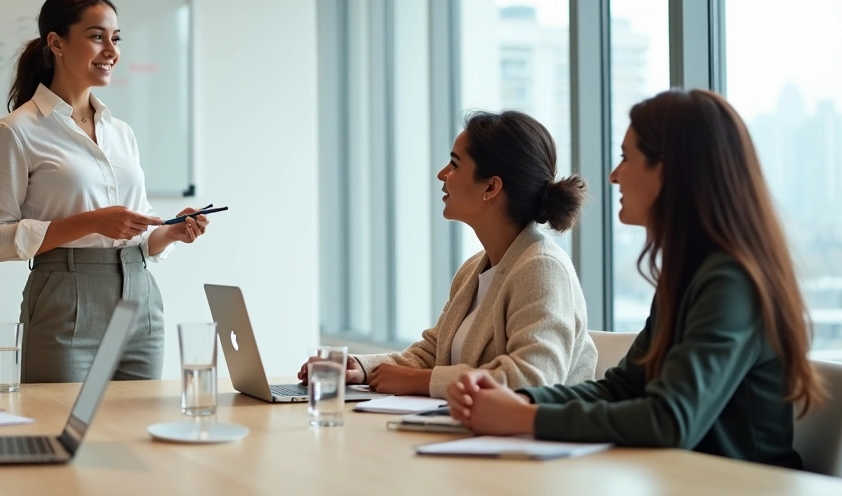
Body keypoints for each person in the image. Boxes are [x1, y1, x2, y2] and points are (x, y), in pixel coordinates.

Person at [447, 89, 826, 469]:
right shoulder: (690, 275)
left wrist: (524, 418)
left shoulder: (732, 281)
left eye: (627, 158)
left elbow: (670, 419)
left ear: (669, 170)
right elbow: (621, 389)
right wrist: (524, 401)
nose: (614, 176)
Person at [0, 0, 210, 383]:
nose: (111, 51)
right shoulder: (15, 132)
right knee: (61, 433)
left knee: (136, 435)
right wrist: (92, 221)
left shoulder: (122, 133)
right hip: (65, 300)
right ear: (57, 43)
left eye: (115, 39)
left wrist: (167, 233)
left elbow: (131, 237)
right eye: (97, 36)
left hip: (140, 300)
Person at [300, 111, 597, 397]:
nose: (442, 174)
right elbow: (432, 352)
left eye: (455, 164)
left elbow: (533, 380)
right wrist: (359, 369)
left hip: (529, 445)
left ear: (491, 186)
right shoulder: (473, 270)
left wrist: (422, 381)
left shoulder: (542, 268)